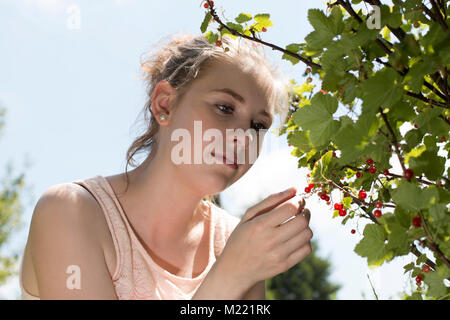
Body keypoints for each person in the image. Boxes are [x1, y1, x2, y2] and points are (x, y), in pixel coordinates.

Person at [19, 33, 313, 299]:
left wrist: (240, 268)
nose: (243, 138)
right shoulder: (70, 211)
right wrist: (229, 277)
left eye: (258, 125)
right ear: (164, 105)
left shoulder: (237, 242)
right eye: (224, 108)